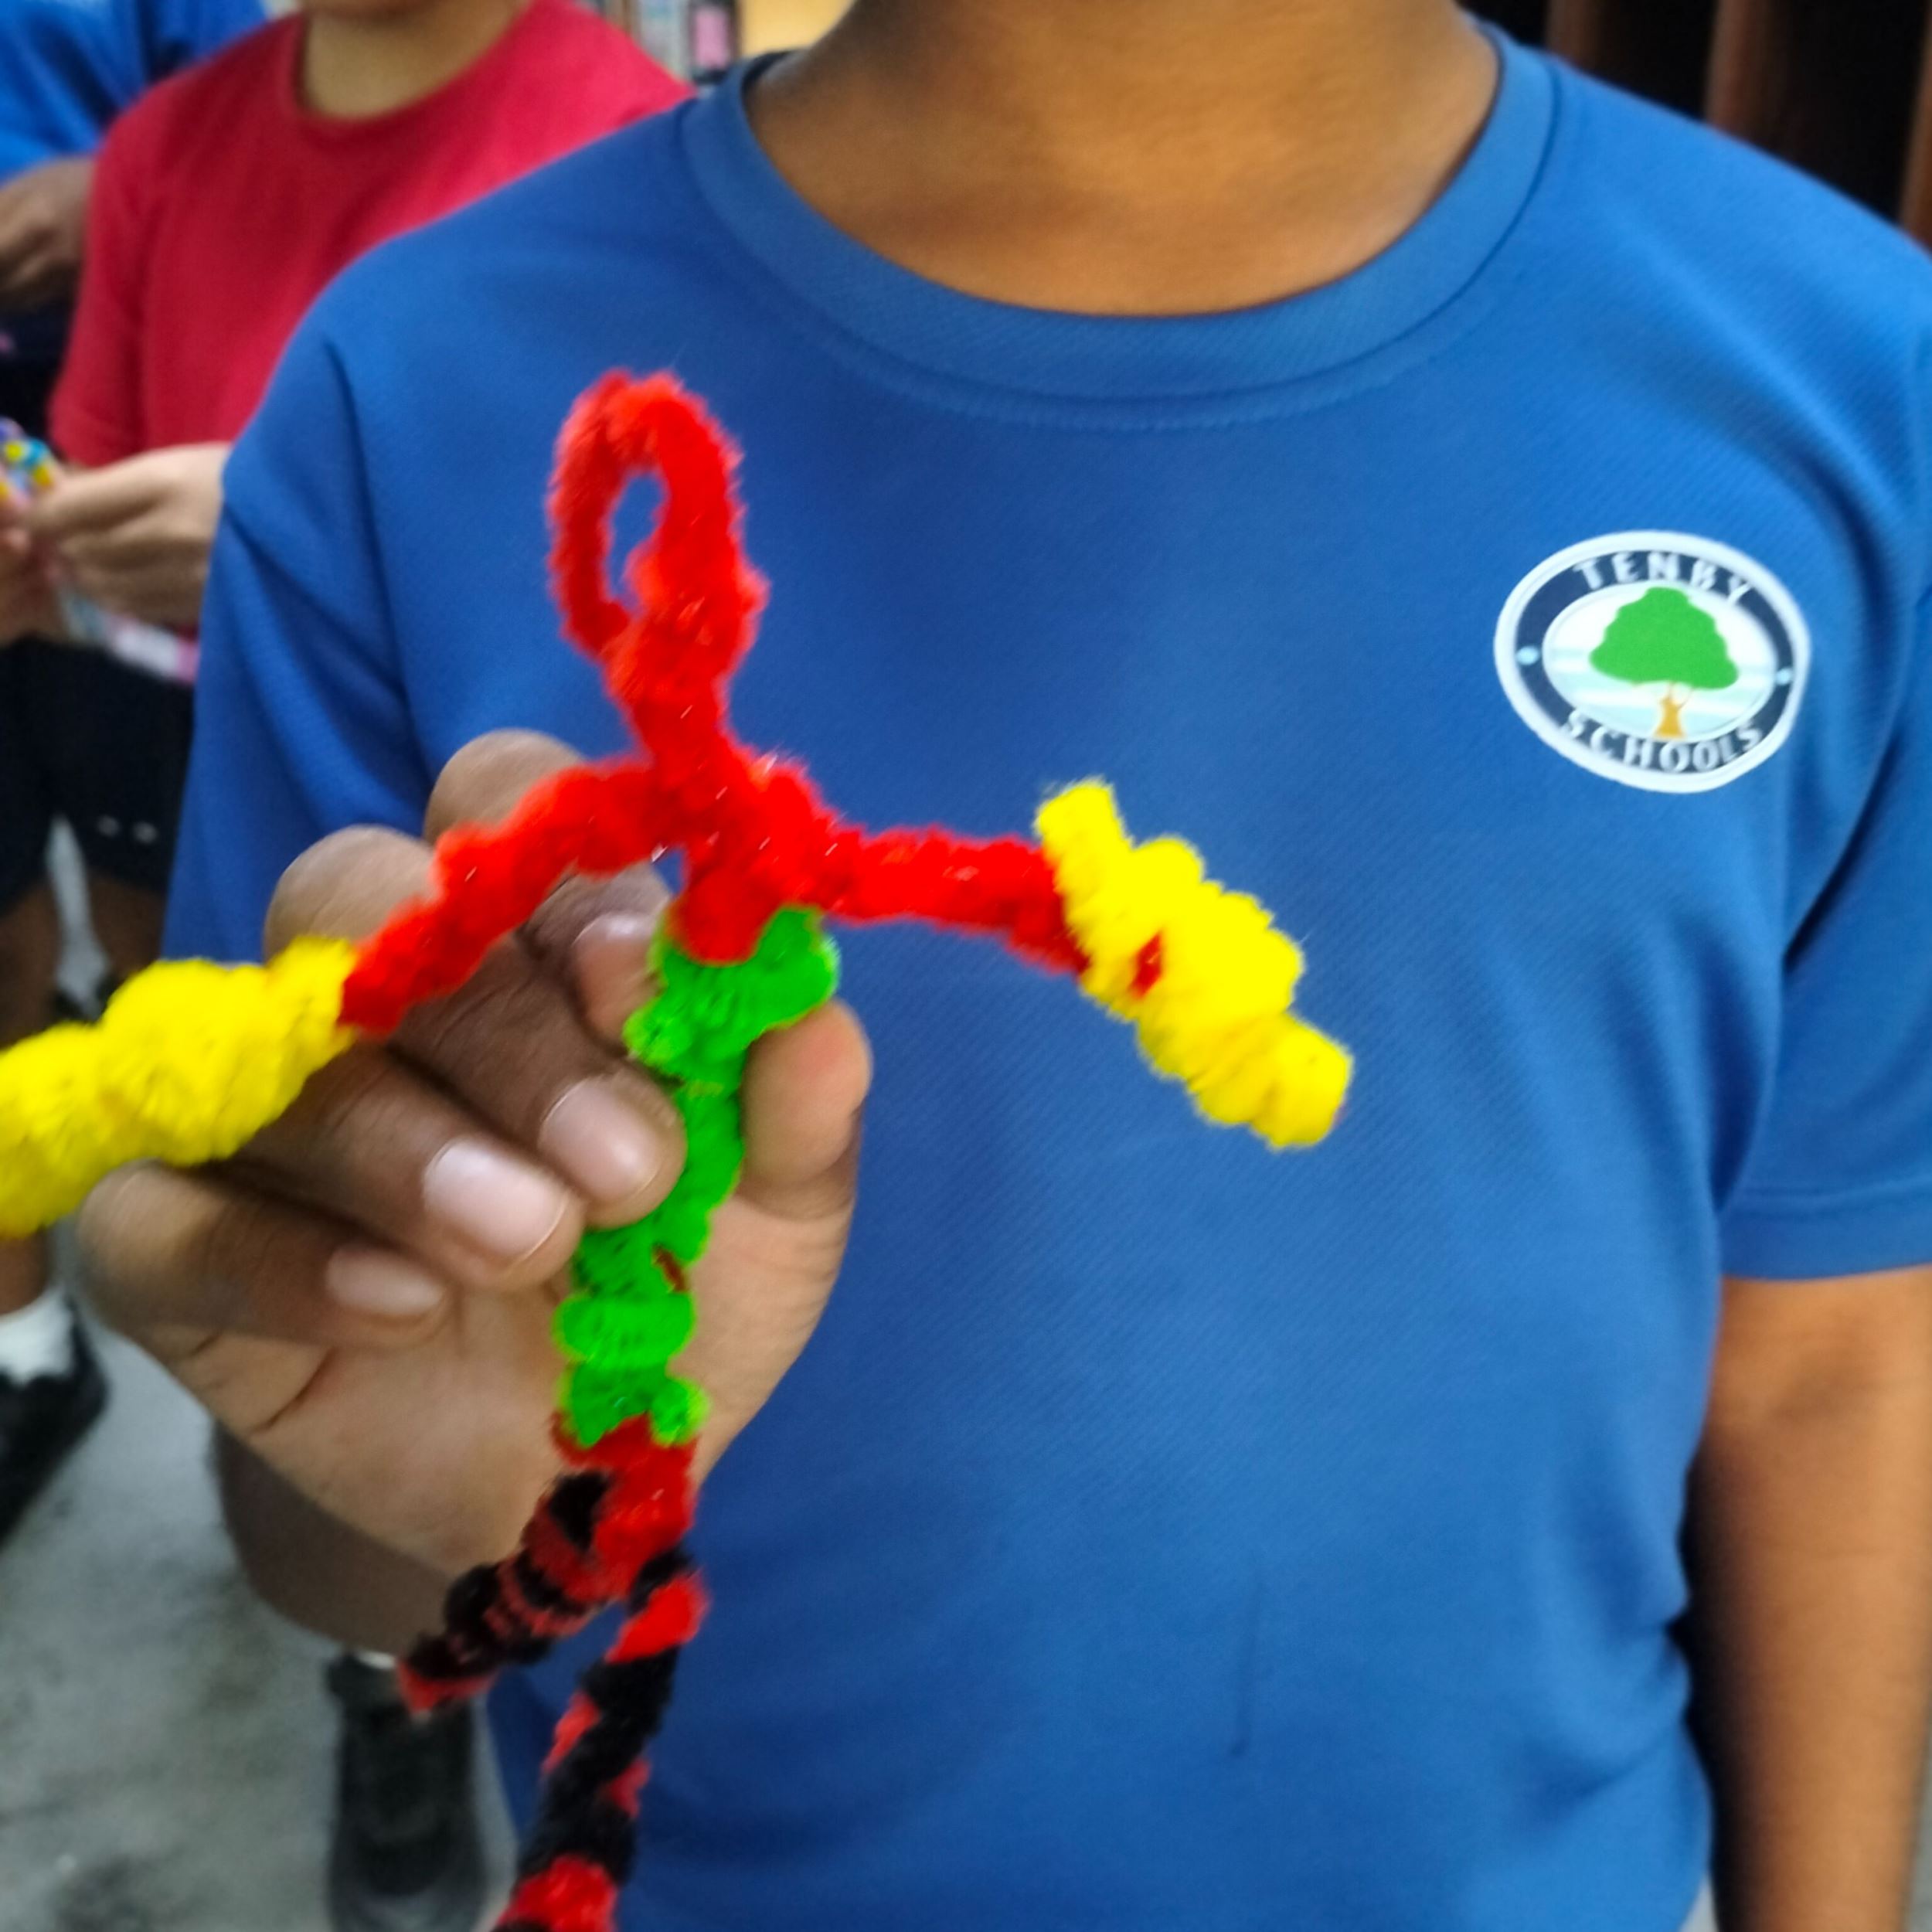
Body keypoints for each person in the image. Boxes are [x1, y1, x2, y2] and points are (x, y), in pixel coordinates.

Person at [73, 2, 1932, 1928]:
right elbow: (331, 1493)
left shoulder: (1844, 382)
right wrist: (436, 1462)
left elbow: (1825, 1363)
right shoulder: (409, 399)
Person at [0, 0, 685, 1925]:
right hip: (208, 791)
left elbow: (666, 601)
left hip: (520, 889)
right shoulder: (164, 154)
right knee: (308, 1290)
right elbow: (95, 491)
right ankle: (385, 1654)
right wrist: (66, 555)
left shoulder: (632, 144)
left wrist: (308, 519)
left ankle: (422, 1672)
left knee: (520, 1311)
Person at [0, 0, 259, 1599]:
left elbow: (275, 110)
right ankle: (26, 1342)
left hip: (145, 480)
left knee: (186, 950)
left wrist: (120, 190)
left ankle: (268, 1378)